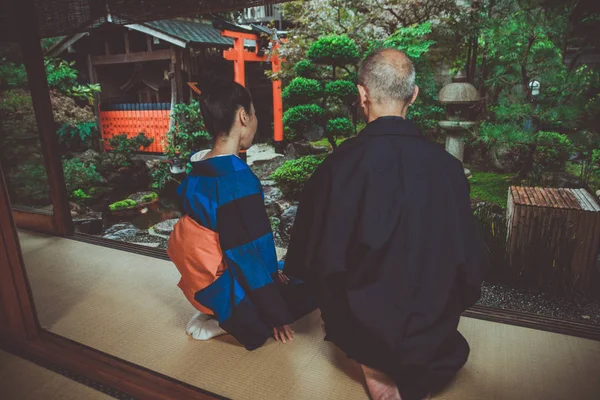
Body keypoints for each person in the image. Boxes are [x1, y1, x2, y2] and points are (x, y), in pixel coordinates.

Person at [284, 48, 490, 400]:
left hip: (363, 325)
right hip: (431, 324)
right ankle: (413, 365)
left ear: (361, 94)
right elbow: (469, 268)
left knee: (332, 291)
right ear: (414, 95)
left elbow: (311, 261)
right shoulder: (449, 169)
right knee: (439, 329)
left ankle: (376, 364)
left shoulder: (337, 167)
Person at [167, 81, 314, 350]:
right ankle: (225, 319)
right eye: (254, 113)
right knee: (308, 289)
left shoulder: (198, 169)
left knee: (282, 273)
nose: (255, 119)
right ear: (243, 116)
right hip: (223, 288)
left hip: (199, 282)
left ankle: (214, 310)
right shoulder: (236, 180)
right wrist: (274, 313)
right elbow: (245, 251)